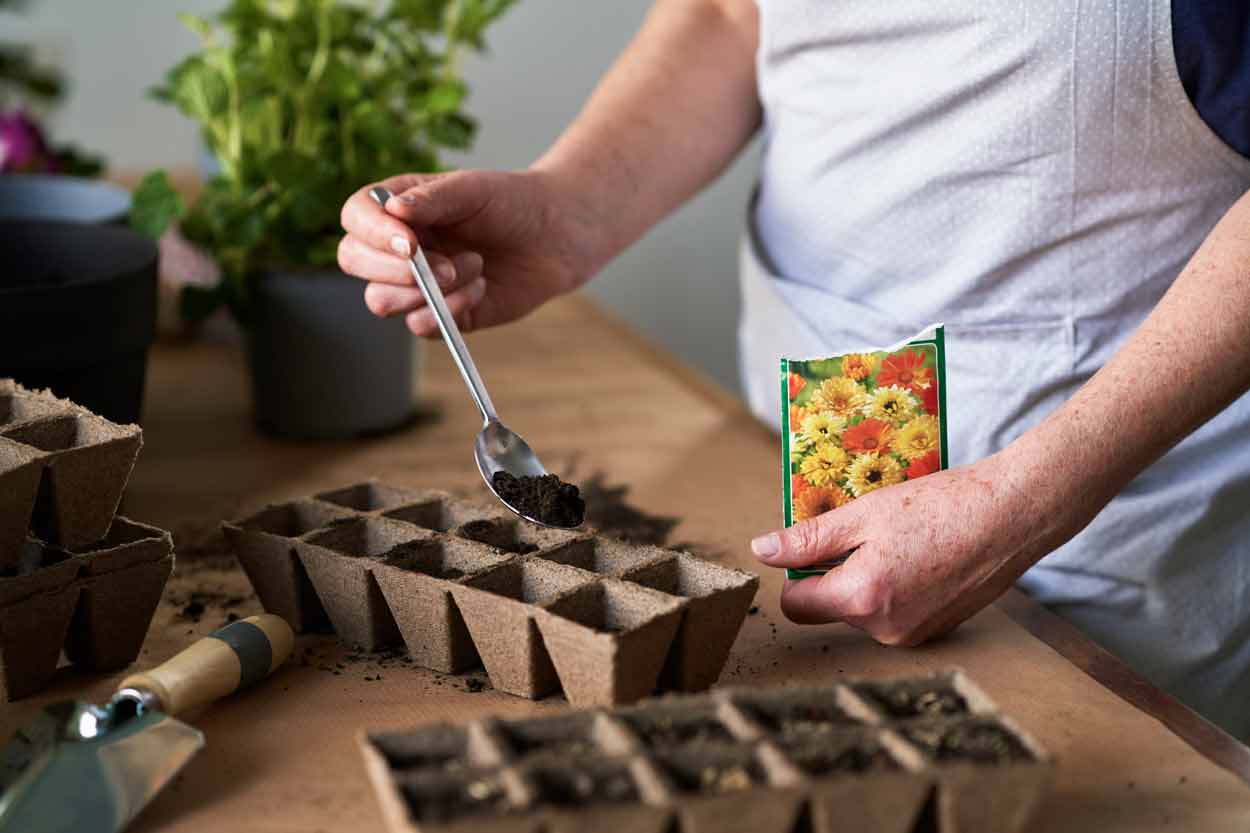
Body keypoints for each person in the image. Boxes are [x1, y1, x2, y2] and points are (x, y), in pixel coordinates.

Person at [339, 1, 1250, 735]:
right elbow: (738, 14)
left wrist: (1031, 497)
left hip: (1108, 551)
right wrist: (569, 211)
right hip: (783, 455)